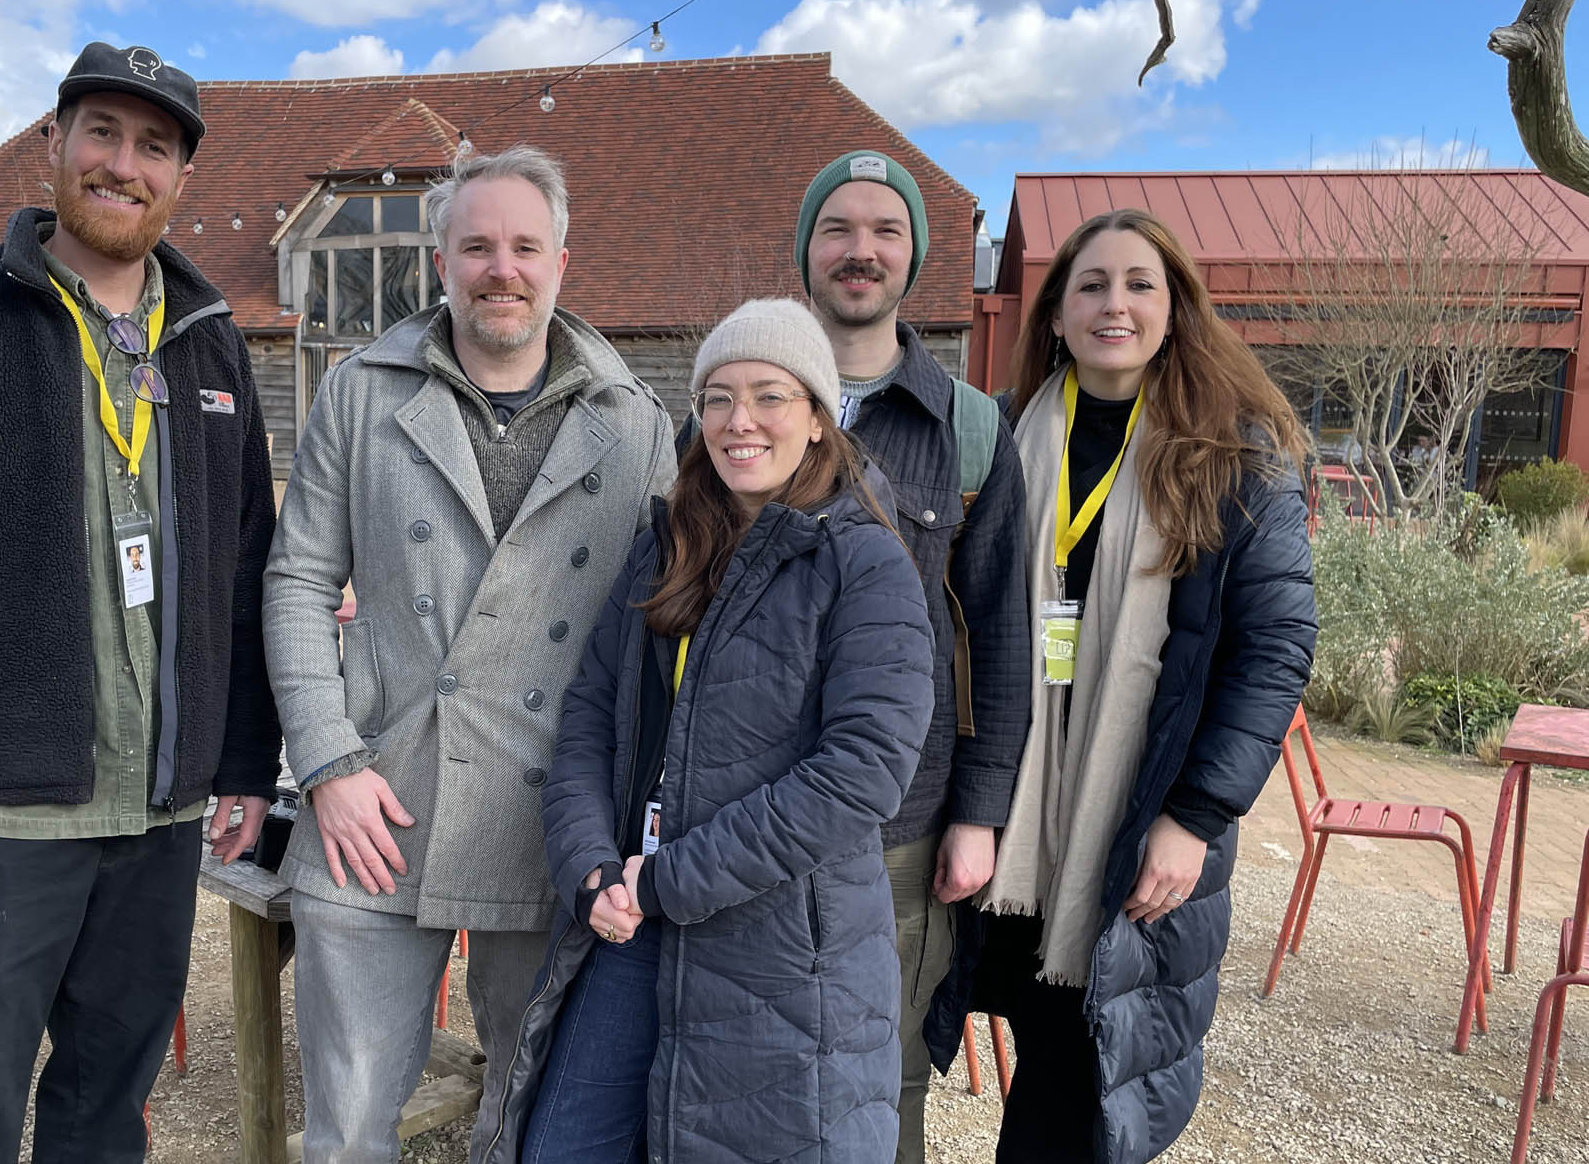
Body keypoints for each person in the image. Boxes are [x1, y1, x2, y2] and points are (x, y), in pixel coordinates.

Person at [0, 42, 282, 1162]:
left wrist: (238, 762)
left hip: (163, 815)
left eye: (154, 146)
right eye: (103, 135)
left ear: (181, 177)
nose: (124, 164)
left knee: (104, 1110)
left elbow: (244, 568)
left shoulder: (210, 340)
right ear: (53, 145)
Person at [262, 144, 676, 1163]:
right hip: (378, 807)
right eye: (477, 246)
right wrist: (325, 763)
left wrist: (634, 817)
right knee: (347, 1129)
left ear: (561, 264)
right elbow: (296, 582)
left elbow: (666, 629)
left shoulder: (634, 423)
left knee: (535, 1124)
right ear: (438, 262)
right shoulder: (359, 394)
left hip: (554, 823)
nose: (503, 269)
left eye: (524, 247)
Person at [484, 298, 934, 1164]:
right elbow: (589, 715)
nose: (739, 422)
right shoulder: (667, 545)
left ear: (816, 416)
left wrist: (670, 880)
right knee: (559, 1146)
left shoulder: (862, 562)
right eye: (719, 398)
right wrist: (586, 862)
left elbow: (860, 774)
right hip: (629, 914)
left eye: (769, 395)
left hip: (781, 948)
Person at [942, 208, 1316, 1164]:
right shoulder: (1003, 441)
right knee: (1047, 1048)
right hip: (1016, 813)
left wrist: (1194, 817)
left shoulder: (1238, 458)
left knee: (1080, 1092)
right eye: (1092, 285)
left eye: (1140, 284)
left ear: (1175, 308)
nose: (1116, 304)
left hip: (1137, 818)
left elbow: (1273, 652)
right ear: (1056, 315)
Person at [793, 151, 1031, 1151]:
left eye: (884, 232)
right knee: (745, 1058)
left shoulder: (968, 429)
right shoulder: (738, 404)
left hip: (901, 826)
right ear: (805, 251)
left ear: (914, 258)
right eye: (837, 228)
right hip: (744, 808)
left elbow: (1005, 641)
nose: (860, 250)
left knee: (880, 1080)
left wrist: (977, 815)